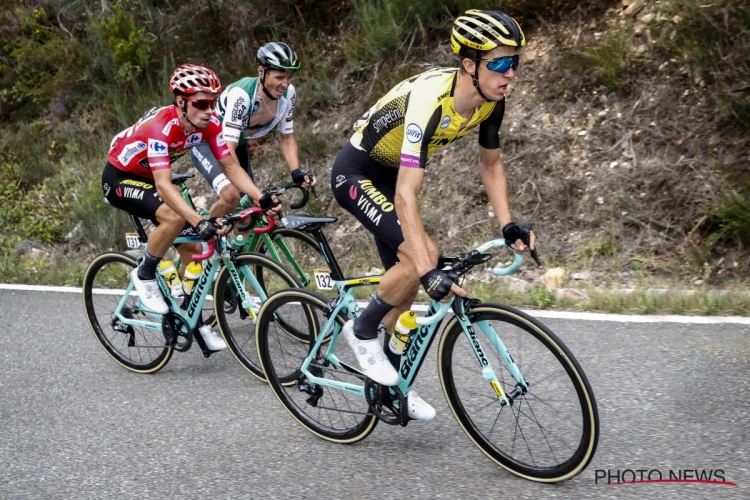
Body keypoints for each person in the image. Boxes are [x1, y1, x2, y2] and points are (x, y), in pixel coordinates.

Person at [329, 10, 536, 420]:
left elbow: (491, 165)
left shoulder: (491, 100)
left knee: (404, 288)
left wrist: (507, 223)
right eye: (498, 63)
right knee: (421, 258)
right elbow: (407, 193)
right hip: (357, 172)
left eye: (514, 62)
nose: (509, 72)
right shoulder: (429, 101)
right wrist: (428, 271)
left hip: (393, 177)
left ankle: (389, 386)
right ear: (469, 65)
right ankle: (362, 330)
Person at [103, 64, 278, 351]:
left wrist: (261, 197)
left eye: (213, 102)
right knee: (174, 218)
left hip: (150, 177)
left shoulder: (209, 125)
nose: (209, 110)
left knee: (195, 252)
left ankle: (190, 319)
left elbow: (231, 165)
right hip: (121, 177)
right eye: (201, 104)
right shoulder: (162, 126)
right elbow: (163, 185)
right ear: (181, 102)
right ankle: (145, 274)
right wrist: (198, 220)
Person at [190, 42, 315, 220]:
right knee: (233, 196)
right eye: (279, 77)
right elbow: (228, 151)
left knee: (248, 211)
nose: (285, 84)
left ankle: (236, 247)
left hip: (236, 145)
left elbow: (287, 137)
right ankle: (206, 236)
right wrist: (254, 194)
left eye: (289, 77)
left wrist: (296, 172)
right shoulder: (241, 96)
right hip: (207, 144)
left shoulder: (289, 94)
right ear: (261, 72)